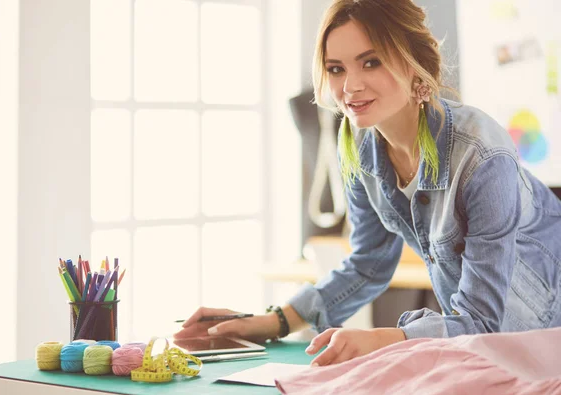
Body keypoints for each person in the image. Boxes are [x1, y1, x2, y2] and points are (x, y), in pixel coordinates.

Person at [175, 0, 561, 367]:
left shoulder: (482, 156)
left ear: (415, 64)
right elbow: (369, 263)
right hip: (483, 351)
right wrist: (272, 322)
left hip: (542, 341)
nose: (350, 87)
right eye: (336, 69)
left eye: (370, 62)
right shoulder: (362, 146)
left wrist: (382, 340)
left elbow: (480, 322)